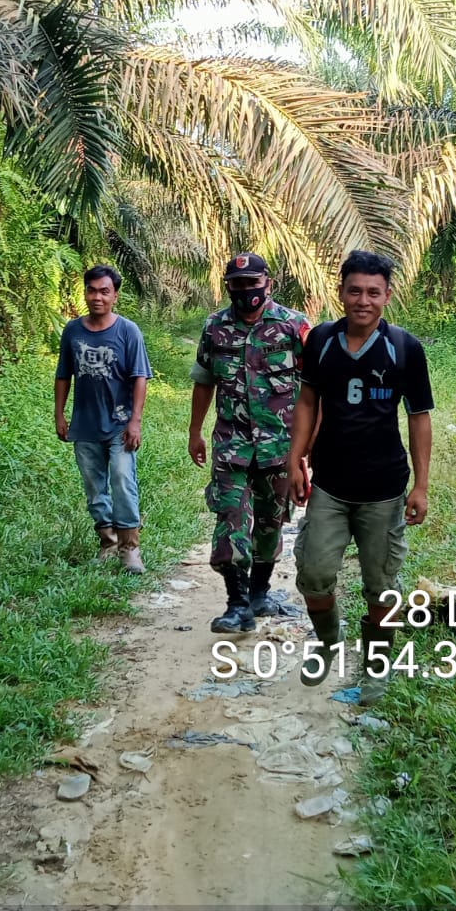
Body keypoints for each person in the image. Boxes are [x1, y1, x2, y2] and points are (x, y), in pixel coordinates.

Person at [287, 249, 433, 705]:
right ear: (341, 292)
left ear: (387, 296)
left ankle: (376, 667)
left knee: (382, 586)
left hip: (384, 489)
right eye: (354, 290)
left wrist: (422, 485)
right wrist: (296, 459)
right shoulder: (322, 342)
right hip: (329, 483)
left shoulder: (405, 348)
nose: (362, 300)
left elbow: (420, 418)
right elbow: (308, 400)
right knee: (313, 573)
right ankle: (328, 641)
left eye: (373, 292)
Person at [189, 251, 311, 633]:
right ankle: (236, 604)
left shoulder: (295, 327)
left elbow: (313, 391)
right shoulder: (214, 327)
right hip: (231, 445)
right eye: (237, 285)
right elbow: (204, 380)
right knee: (231, 519)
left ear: (267, 284)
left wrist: (307, 450)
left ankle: (259, 593)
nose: (245, 291)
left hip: (280, 447)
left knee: (271, 523)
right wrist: (195, 431)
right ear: (228, 287)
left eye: (252, 283)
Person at [55, 265, 153, 573]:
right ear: (85, 292)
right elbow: (63, 375)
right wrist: (59, 413)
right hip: (84, 425)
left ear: (115, 296)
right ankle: (107, 543)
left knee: (123, 480)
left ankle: (130, 549)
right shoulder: (73, 330)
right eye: (92, 290)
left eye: (104, 291)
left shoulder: (127, 331)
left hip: (120, 424)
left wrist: (135, 421)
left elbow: (140, 377)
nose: (97, 297)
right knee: (94, 488)